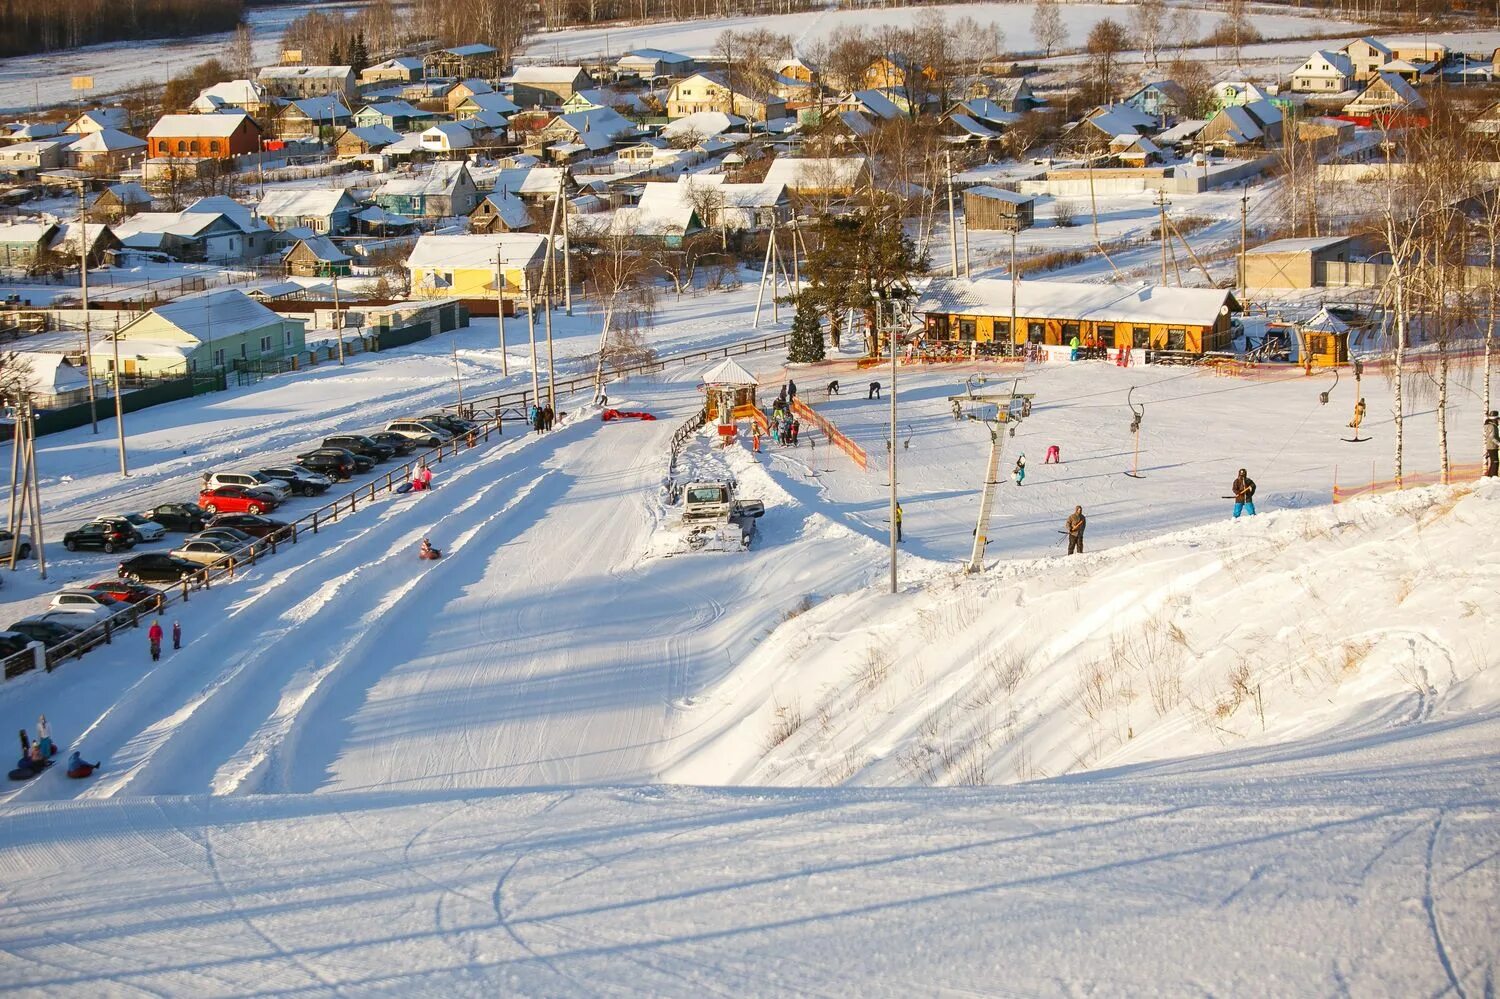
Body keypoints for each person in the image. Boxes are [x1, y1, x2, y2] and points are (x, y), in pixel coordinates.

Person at [1485, 411, 1499, 478]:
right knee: (1495, 462)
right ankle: (1493, 477)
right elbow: (1492, 437)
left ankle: (1491, 477)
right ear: (1495, 419)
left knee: (1494, 462)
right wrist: (1499, 443)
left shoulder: (1491, 425)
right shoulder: (1492, 426)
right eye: (1497, 419)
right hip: (1492, 446)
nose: (1498, 421)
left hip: (1492, 446)